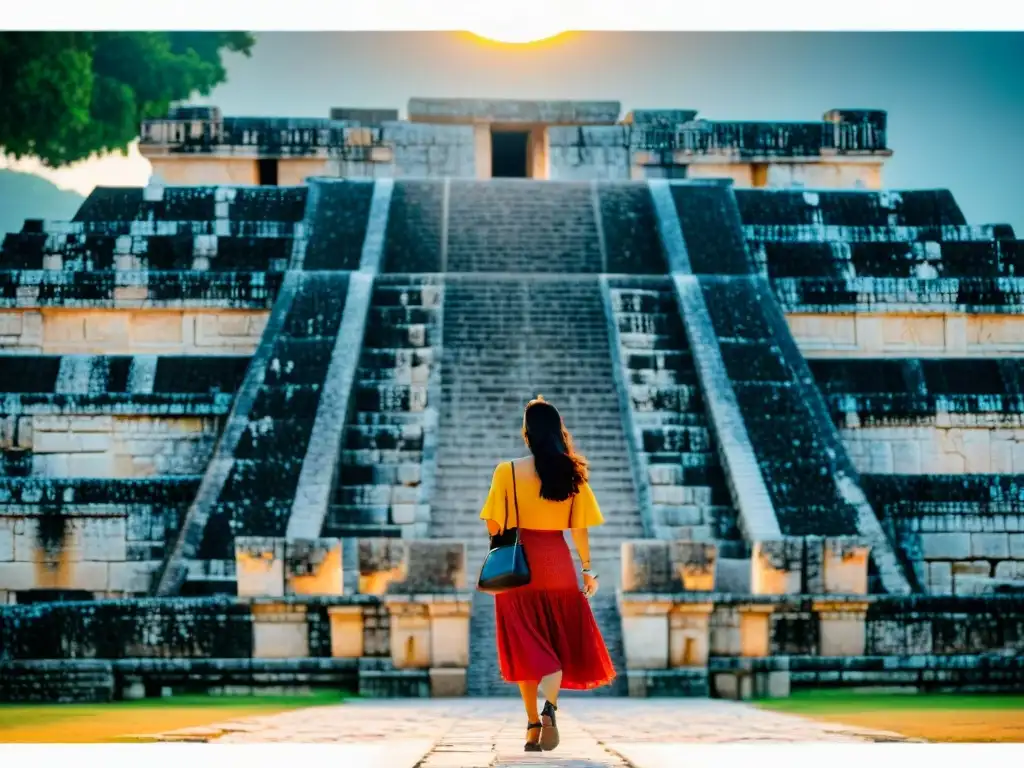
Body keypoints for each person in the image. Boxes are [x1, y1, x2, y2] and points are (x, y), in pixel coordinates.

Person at [478, 396, 616, 753]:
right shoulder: (572, 472)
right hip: (558, 564)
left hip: (519, 568)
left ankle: (531, 725)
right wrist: (588, 569)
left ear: (527, 433)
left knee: (525, 648)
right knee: (556, 647)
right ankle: (549, 708)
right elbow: (580, 528)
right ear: (558, 431)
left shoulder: (506, 471)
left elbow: (495, 523)